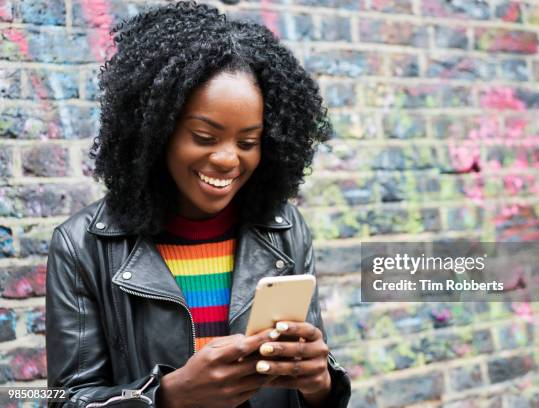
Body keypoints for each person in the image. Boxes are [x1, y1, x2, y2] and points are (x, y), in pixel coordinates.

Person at [45, 2, 351, 407]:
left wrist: (320, 385)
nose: (228, 159)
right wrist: (168, 396)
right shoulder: (82, 246)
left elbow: (303, 381)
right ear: (158, 131)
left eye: (247, 143)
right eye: (205, 137)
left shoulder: (285, 229)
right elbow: (64, 399)